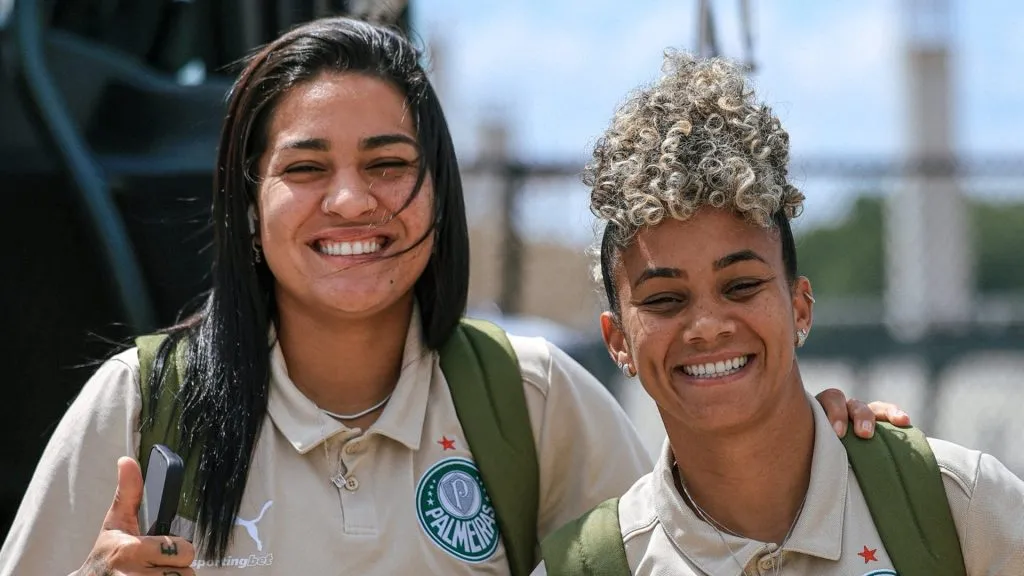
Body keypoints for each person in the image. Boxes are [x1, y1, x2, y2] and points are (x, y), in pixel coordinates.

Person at [0, 19, 904, 576]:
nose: (351, 201)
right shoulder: (140, 406)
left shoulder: (529, 401)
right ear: (247, 204)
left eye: (390, 165)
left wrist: (803, 451)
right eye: (305, 168)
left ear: (441, 192)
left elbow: (706, 547)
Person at [532, 52, 1024, 576]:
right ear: (618, 341)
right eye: (664, 300)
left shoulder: (956, 505)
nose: (708, 326)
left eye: (741, 286)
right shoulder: (599, 565)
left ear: (800, 306)